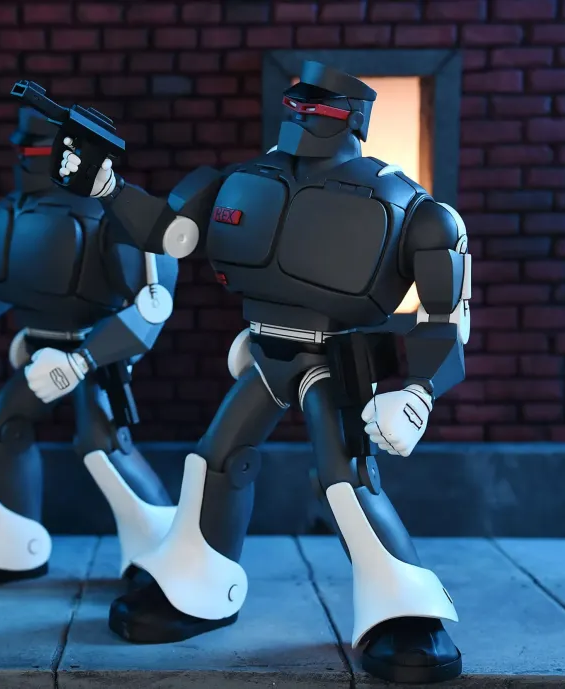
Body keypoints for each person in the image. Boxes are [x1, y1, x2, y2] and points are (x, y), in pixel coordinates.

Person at [48, 62, 472, 684]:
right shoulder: (240, 181)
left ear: (353, 117)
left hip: (336, 359)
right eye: (298, 101)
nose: (304, 113)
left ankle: (405, 610)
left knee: (346, 480)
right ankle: (196, 582)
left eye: (319, 104)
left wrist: (417, 390)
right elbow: (170, 234)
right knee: (215, 460)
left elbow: (445, 316)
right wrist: (107, 188)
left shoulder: (415, 211)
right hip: (265, 352)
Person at [0, 107, 179, 591]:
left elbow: (152, 307)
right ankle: (5, 548)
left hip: (95, 357)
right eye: (25, 148)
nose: (31, 158)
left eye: (42, 150)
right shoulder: (12, 211)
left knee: (103, 445)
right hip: (38, 350)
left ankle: (162, 554)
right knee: (3, 429)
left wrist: (83, 361)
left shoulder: (118, 214)